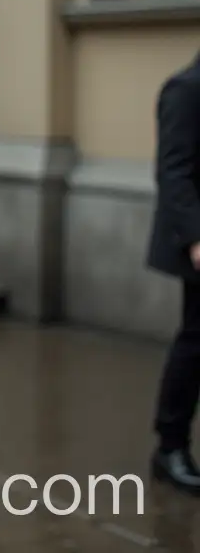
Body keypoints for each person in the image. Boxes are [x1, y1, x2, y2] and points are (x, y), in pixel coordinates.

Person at [147, 54, 200, 494]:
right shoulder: (185, 88)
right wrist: (196, 237)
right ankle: (170, 445)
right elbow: (173, 170)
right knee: (196, 340)